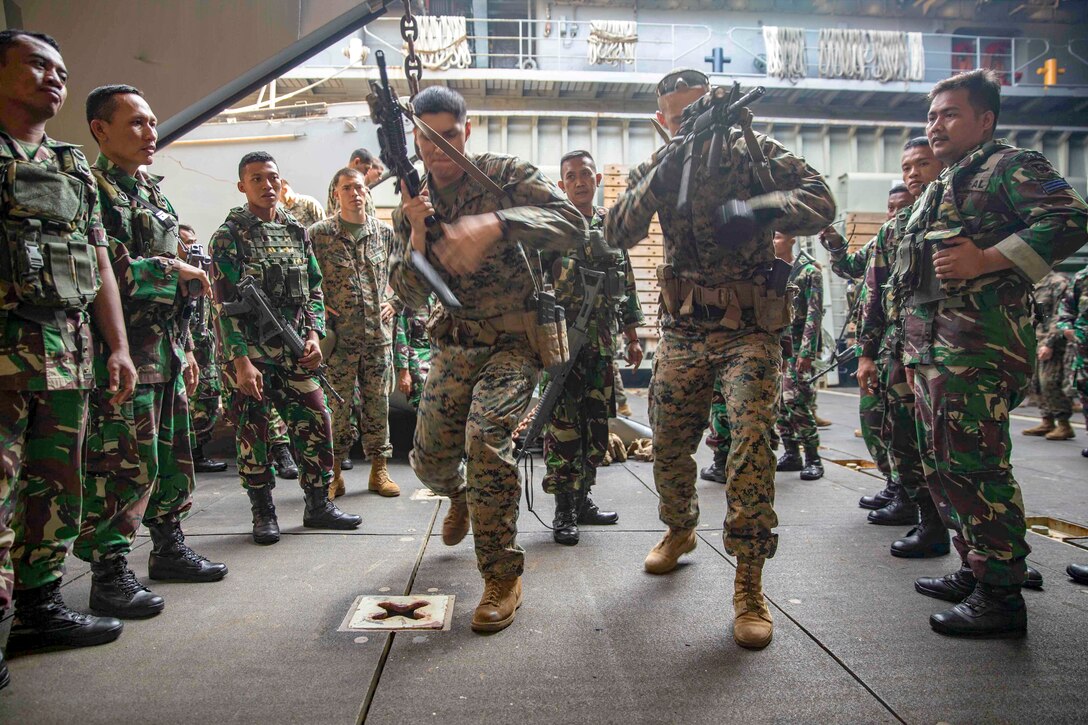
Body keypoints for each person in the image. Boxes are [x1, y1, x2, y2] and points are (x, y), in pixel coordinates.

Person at [606, 68, 835, 649]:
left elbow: (821, 202)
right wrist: (661, 173)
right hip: (683, 329)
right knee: (667, 439)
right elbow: (614, 232)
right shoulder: (658, 166)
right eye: (679, 117)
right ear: (664, 122)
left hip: (749, 330)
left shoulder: (753, 152)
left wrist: (761, 208)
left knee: (752, 441)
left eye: (699, 110)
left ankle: (749, 582)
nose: (692, 123)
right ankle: (680, 529)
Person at [389, 86, 584, 632]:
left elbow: (573, 225)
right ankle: (461, 497)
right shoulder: (412, 201)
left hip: (515, 341)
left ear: (466, 132)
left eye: (449, 137)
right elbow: (404, 293)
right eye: (427, 140)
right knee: (427, 461)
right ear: (414, 139)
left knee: (486, 443)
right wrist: (419, 233)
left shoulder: (504, 174)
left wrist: (496, 222)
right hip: (453, 342)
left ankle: (502, 577)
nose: (438, 152)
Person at [901, 69, 1087, 636]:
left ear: (985, 119)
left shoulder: (1009, 165)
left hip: (977, 347)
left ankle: (1002, 595)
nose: (936, 125)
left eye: (950, 113)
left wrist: (985, 259)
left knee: (977, 467)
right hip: (935, 350)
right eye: (932, 115)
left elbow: (1071, 219)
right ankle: (975, 567)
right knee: (944, 465)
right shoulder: (946, 180)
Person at [0, 30, 137, 666]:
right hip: (4, 353)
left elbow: (100, 261)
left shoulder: (69, 163)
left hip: (65, 353)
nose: (53, 78)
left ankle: (39, 608)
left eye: (60, 69)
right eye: (36, 65)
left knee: (54, 487)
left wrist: (117, 346)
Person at [77, 85, 227, 619]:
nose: (151, 133)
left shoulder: (153, 193)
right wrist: (173, 271)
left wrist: (185, 346)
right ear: (100, 129)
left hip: (165, 349)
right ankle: (109, 571)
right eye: (136, 123)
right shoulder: (90, 189)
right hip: (120, 351)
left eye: (153, 122)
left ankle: (168, 546)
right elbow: (102, 272)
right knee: (121, 462)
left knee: (171, 456)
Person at [210, 151, 361, 545]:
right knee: (253, 432)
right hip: (251, 354)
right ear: (242, 186)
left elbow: (314, 287)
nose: (267, 185)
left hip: (295, 348)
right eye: (256, 179)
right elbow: (223, 307)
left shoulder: (296, 231)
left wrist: (313, 336)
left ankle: (318, 505)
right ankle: (263, 512)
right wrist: (241, 363)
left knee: (316, 420)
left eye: (272, 177)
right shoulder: (229, 236)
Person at [543, 149, 643, 545]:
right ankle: (563, 508)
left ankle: (583, 498)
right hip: (563, 345)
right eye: (572, 176)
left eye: (586, 174)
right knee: (563, 427)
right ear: (562, 183)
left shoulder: (611, 227)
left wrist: (633, 336)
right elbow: (535, 283)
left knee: (596, 425)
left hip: (602, 344)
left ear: (597, 179)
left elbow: (628, 281)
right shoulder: (552, 227)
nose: (580, 181)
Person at [821, 181, 918, 520]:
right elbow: (850, 266)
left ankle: (913, 496)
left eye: (901, 206)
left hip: (910, 346)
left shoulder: (923, 238)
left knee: (906, 425)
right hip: (879, 347)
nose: (894, 214)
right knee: (875, 417)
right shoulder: (884, 240)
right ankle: (895, 482)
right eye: (889, 208)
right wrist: (835, 246)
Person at [309, 166, 400, 499]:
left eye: (359, 187)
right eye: (347, 188)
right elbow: (307, 282)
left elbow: (403, 274)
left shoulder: (384, 233)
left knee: (378, 405)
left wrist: (397, 302)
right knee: (337, 406)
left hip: (378, 336)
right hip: (339, 338)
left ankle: (379, 470)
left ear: (367, 192)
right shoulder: (319, 234)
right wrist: (320, 313)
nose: (354, 193)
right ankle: (334, 473)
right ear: (337, 193)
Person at [773, 232, 825, 481]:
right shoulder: (771, 271)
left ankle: (813, 458)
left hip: (797, 346)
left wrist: (807, 351)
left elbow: (814, 314)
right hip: (775, 347)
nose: (772, 242)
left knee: (797, 400)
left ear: (791, 239)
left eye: (777, 237)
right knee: (779, 404)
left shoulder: (809, 272)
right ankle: (792, 453)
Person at [178, 223, 228, 473]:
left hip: (205, 351)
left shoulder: (204, 277)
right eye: (186, 243)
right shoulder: (177, 278)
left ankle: (198, 452)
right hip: (181, 349)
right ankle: (183, 456)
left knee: (208, 396)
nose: (192, 248)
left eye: (194, 241)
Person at [1022, 270, 1075, 440]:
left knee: (1049, 381)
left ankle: (1064, 424)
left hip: (1052, 342)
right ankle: (1047, 420)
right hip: (1035, 340)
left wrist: (1049, 343)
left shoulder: (1058, 282)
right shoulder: (1032, 282)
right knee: (1036, 382)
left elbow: (1060, 315)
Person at [1057, 263, 1088, 457]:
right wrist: (1066, 328)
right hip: (1083, 352)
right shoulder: (1081, 277)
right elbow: (1066, 310)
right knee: (1086, 394)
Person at [393, 295, 435, 409]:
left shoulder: (443, 294)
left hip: (440, 356)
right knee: (423, 405)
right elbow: (401, 336)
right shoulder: (410, 296)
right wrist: (404, 371)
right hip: (418, 356)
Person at [326, 147, 381, 218]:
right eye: (366, 168)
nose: (367, 173)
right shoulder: (342, 182)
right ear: (357, 162)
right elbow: (343, 214)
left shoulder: (358, 182)